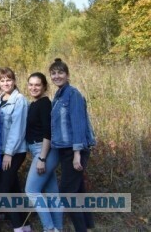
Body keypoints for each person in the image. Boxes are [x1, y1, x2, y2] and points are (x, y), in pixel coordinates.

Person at [50, 58, 96, 232]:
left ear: (67, 75)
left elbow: (78, 124)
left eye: (60, 72)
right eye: (53, 73)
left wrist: (77, 153)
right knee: (77, 191)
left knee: (67, 194)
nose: (57, 76)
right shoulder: (58, 96)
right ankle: (89, 226)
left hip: (75, 151)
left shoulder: (73, 94)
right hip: (65, 150)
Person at [24, 72, 63, 232]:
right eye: (31, 84)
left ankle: (49, 228)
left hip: (45, 151)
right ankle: (58, 229)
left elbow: (48, 132)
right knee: (52, 192)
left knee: (31, 190)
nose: (33, 87)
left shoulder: (45, 103)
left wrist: (42, 158)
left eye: (37, 85)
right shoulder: (34, 103)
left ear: (44, 87)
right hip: (38, 150)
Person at [0, 67, 30, 232]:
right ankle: (26, 226)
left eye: (8, 80)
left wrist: (8, 154)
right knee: (13, 187)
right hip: (4, 151)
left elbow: (18, 129)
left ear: (14, 81)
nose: (5, 83)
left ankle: (18, 228)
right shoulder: (0, 99)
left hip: (15, 152)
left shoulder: (20, 100)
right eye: (2, 80)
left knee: (3, 188)